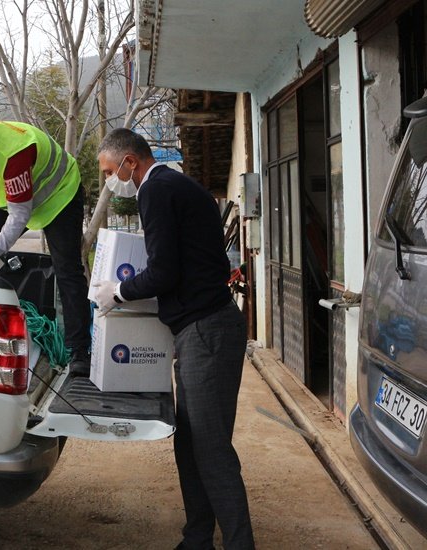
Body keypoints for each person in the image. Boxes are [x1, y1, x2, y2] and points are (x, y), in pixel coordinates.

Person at [94, 128, 255, 550]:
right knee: (190, 444)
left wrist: (120, 291)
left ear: (131, 161)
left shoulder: (155, 190)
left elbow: (164, 272)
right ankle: (197, 537)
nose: (112, 181)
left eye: (111, 171)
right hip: (201, 330)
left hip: (207, 333)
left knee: (211, 449)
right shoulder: (179, 185)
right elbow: (185, 264)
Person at [0, 110, 92, 375]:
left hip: (58, 197)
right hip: (10, 201)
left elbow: (20, 215)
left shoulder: (16, 151)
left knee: (67, 270)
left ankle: (78, 351)